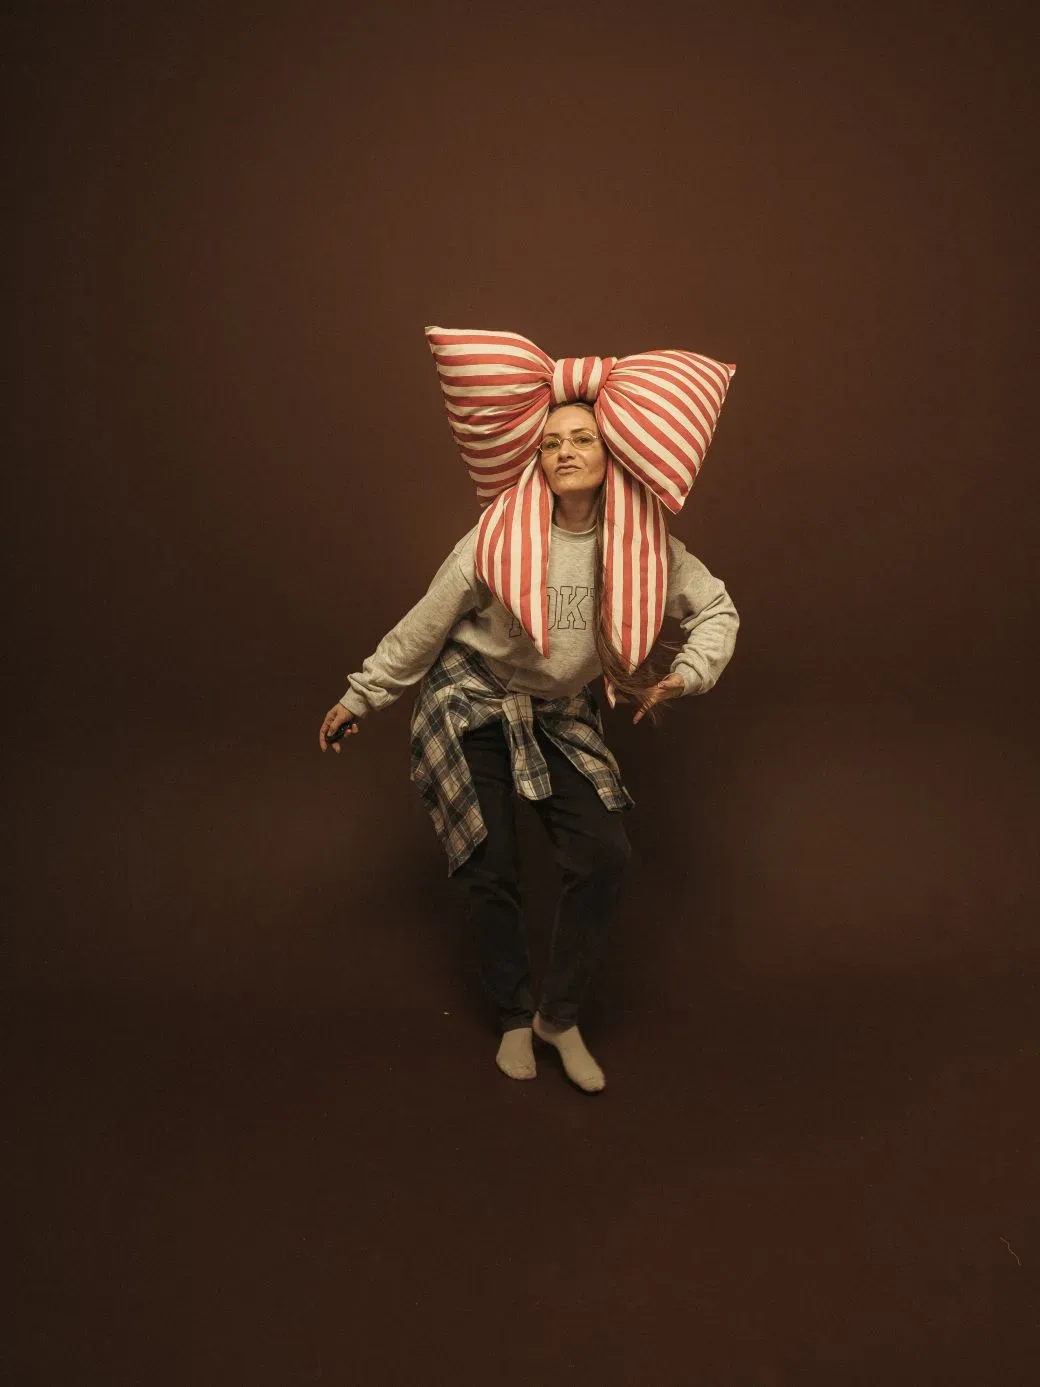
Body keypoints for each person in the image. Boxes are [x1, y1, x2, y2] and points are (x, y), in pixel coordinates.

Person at [319, 329, 739, 1093]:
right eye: (551, 442)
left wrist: (685, 675)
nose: (564, 451)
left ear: (613, 451)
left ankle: (558, 1015)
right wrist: (361, 693)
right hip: (471, 699)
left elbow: (717, 609)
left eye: (582, 438)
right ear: (536, 457)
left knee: (604, 854)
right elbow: (426, 624)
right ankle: (515, 1015)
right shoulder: (497, 535)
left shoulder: (645, 545)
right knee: (489, 863)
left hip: (557, 710)